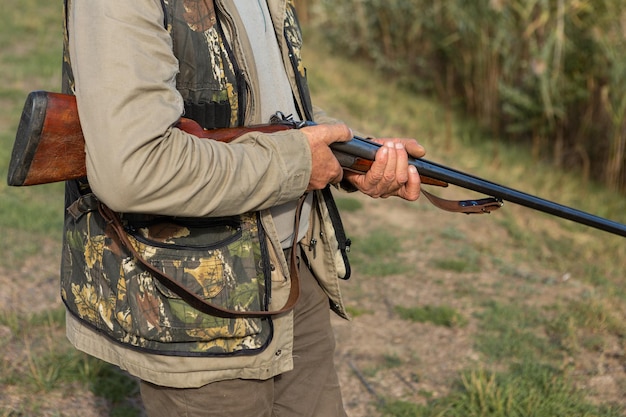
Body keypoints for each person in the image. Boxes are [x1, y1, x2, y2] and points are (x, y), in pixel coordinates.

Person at [59, 0, 426, 416]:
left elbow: (271, 107)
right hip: (195, 309)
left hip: (293, 274)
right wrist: (298, 163)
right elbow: (136, 169)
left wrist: (351, 154)